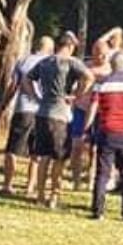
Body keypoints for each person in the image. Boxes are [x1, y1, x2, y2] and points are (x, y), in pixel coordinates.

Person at [28, 32, 94, 209]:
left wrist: (35, 96)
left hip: (42, 113)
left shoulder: (45, 62)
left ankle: (40, 195)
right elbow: (90, 77)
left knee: (43, 157)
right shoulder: (71, 62)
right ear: (71, 46)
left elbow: (27, 78)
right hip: (60, 116)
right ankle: (54, 196)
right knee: (59, 158)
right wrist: (77, 95)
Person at [86, 51, 123, 222]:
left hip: (107, 132)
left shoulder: (102, 84)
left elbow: (93, 108)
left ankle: (98, 211)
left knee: (103, 173)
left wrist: (87, 127)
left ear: (112, 65)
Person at [2, 36, 55, 194]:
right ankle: (30, 186)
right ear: (50, 49)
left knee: (12, 148)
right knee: (36, 151)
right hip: (44, 111)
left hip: (23, 109)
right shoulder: (52, 63)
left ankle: (8, 184)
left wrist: (4, 104)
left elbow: (13, 86)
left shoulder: (24, 61)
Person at [69, 33, 113, 190]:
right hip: (81, 109)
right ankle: (76, 180)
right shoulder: (85, 66)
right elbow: (75, 85)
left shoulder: (111, 69)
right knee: (77, 145)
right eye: (96, 52)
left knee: (95, 148)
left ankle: (91, 178)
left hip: (100, 113)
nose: (99, 56)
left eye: (103, 53)